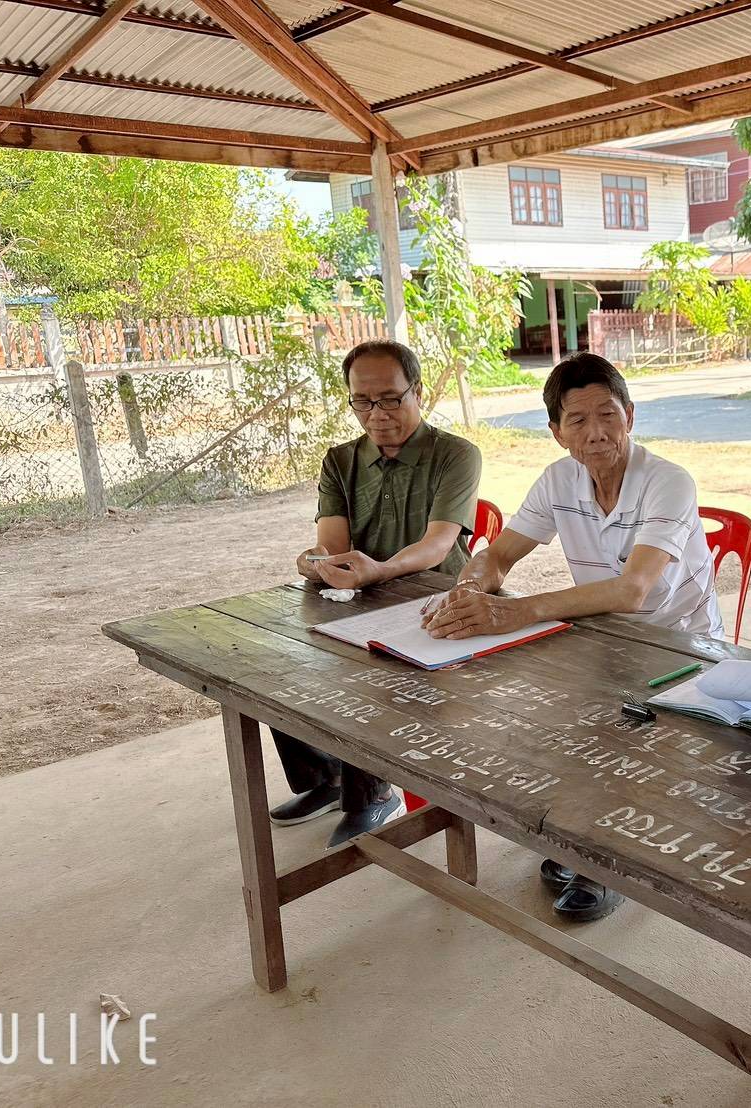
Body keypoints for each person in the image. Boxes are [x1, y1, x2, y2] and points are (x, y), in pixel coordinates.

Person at [422, 351, 722, 918]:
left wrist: (518, 611)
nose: (596, 432)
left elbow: (633, 591)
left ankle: (609, 859)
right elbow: (498, 557)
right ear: (557, 432)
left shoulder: (668, 481)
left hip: (682, 648)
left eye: (608, 414)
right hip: (603, 640)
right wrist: (470, 586)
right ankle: (584, 836)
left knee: (609, 731)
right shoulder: (559, 480)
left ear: (630, 416)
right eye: (578, 420)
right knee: (540, 713)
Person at [271, 340, 482, 847]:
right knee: (275, 662)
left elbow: (437, 546)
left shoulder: (455, 454)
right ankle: (327, 779)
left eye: (390, 398)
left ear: (418, 392)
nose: (377, 413)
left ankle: (373, 794)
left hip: (437, 601)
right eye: (362, 401)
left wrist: (378, 571)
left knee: (365, 673)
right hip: (361, 597)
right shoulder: (340, 460)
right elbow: (332, 544)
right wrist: (315, 561)